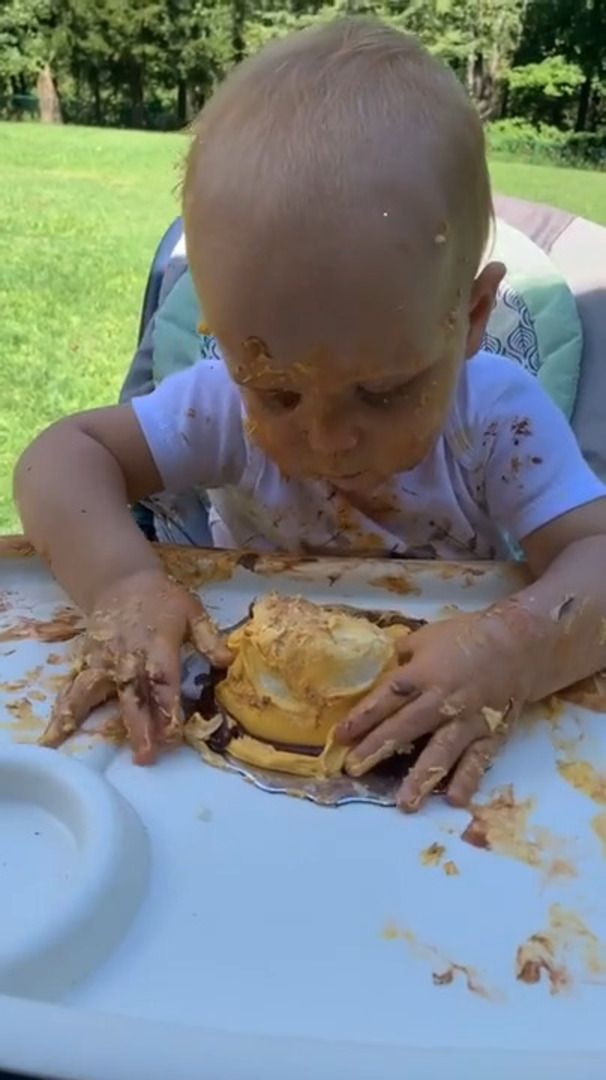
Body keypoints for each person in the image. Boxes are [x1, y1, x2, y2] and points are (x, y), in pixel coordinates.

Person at [13, 17, 606, 812]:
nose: (326, 440)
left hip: (431, 719)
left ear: (467, 318)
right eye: (278, 394)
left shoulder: (497, 423)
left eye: (386, 392)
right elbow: (61, 457)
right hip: (230, 733)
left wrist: (516, 648)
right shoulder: (220, 406)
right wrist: (122, 583)